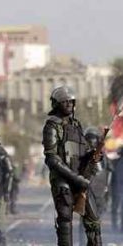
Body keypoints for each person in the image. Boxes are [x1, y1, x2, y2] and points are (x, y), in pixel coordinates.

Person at [42, 86, 102, 245]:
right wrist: (75, 179)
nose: (68, 104)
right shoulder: (52, 125)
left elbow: (84, 151)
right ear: (56, 104)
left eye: (71, 101)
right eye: (64, 101)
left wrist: (95, 156)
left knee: (94, 223)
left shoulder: (76, 124)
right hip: (63, 181)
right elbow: (52, 159)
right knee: (65, 223)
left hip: (82, 179)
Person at [78, 126, 112, 245]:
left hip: (99, 194)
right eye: (89, 139)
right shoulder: (82, 156)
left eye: (93, 139)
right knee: (87, 223)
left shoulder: (103, 157)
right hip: (87, 194)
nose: (91, 142)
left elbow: (107, 173)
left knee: (95, 223)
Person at [111, 147, 123, 232]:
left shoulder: (117, 162)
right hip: (118, 189)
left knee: (117, 209)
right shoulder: (118, 163)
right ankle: (115, 226)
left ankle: (117, 227)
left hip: (118, 189)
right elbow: (116, 178)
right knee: (116, 208)